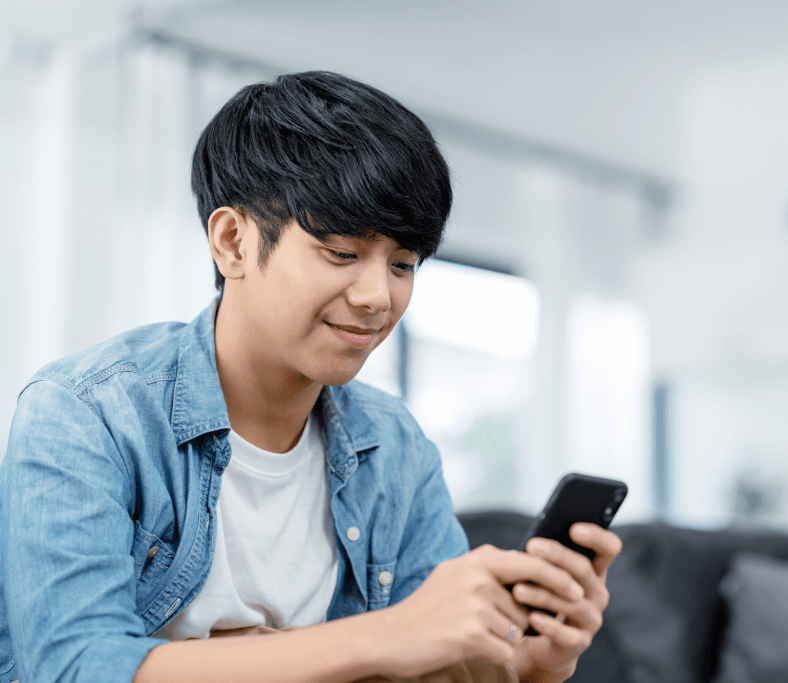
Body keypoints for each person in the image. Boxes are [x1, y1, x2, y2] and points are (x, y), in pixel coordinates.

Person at [0, 71, 622, 683]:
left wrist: (527, 667)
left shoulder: (394, 446)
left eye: (403, 264)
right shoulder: (88, 414)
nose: (378, 297)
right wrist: (377, 641)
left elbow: (435, 667)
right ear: (232, 242)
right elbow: (73, 667)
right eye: (342, 253)